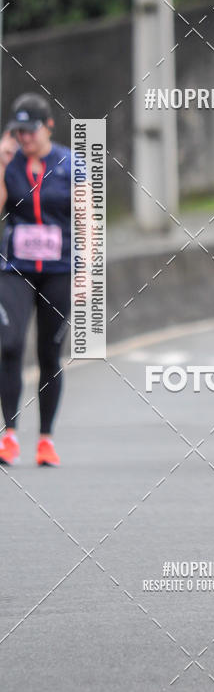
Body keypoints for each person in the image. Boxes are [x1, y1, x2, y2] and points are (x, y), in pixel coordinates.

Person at [0, 93, 72, 467]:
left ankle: (45, 439)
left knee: (49, 353)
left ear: (48, 127)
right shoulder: (9, 164)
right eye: (18, 132)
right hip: (15, 268)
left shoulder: (71, 163)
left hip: (59, 271)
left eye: (30, 131)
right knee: (8, 343)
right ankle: (9, 434)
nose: (24, 139)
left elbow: (89, 219)